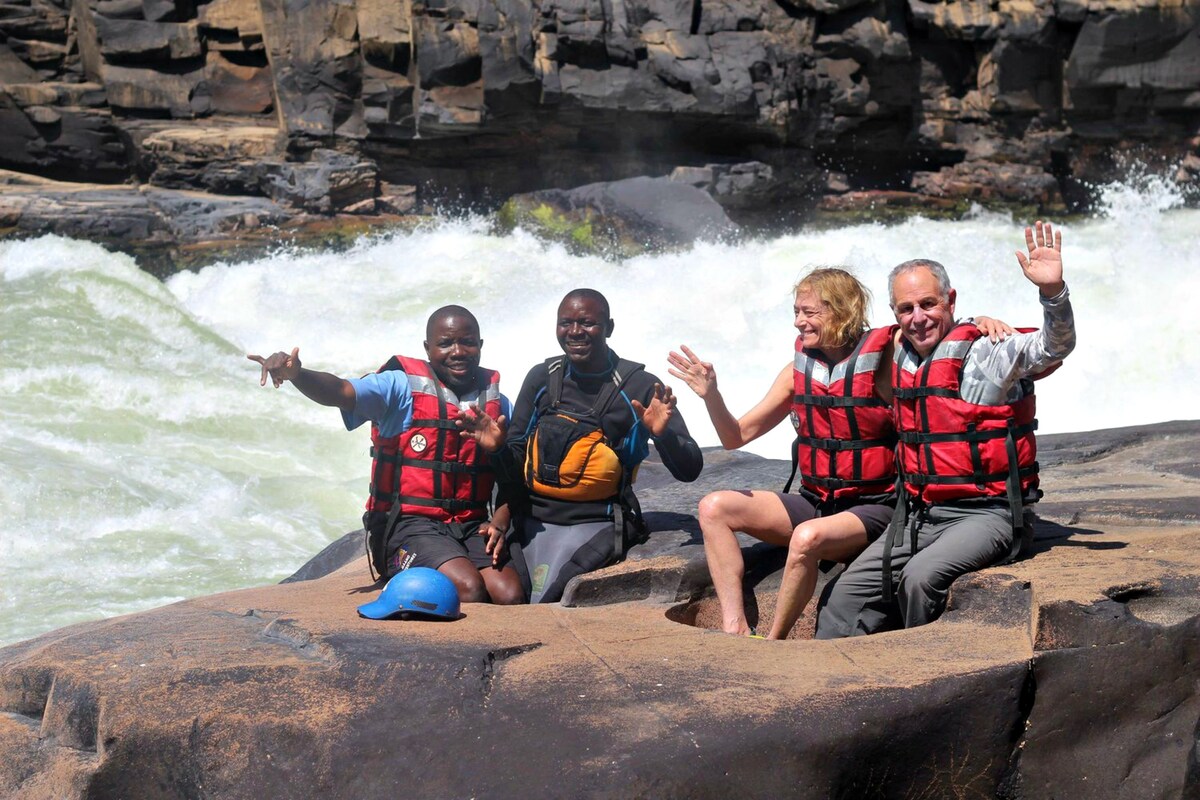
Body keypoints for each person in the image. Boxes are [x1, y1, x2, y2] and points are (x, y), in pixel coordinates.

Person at [815, 221, 1075, 638]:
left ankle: (925, 678)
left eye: (928, 304)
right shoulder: (898, 353)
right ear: (895, 314)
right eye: (906, 309)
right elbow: (838, 340)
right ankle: (836, 688)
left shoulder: (988, 351)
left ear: (949, 300)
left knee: (921, 578)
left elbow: (1053, 346)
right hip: (921, 514)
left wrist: (1052, 291)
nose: (918, 318)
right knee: (844, 594)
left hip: (990, 516)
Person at [670, 269, 901, 638]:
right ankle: (736, 629)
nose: (799, 322)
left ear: (842, 310)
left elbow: (936, 332)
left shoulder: (887, 359)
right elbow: (736, 436)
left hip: (876, 509)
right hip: (817, 502)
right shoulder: (797, 372)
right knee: (713, 507)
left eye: (809, 312)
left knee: (807, 538)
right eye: (796, 312)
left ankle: (774, 642)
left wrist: (983, 322)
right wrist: (711, 393)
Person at [247, 305, 525, 605]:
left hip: (470, 525)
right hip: (410, 526)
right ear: (427, 348)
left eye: (467, 342)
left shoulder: (497, 404)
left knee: (509, 594)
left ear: (480, 346)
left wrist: (500, 517)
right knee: (468, 588)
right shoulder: (399, 386)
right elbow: (341, 391)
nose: (458, 351)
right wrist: (297, 374)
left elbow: (511, 474)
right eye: (445, 343)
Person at [460, 288, 703, 603]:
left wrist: (663, 433)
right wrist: (498, 449)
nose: (574, 332)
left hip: (598, 522)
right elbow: (516, 464)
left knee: (553, 597)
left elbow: (690, 469)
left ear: (609, 328)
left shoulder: (639, 386)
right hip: (532, 519)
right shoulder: (542, 379)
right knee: (509, 596)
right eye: (566, 323)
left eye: (587, 323)